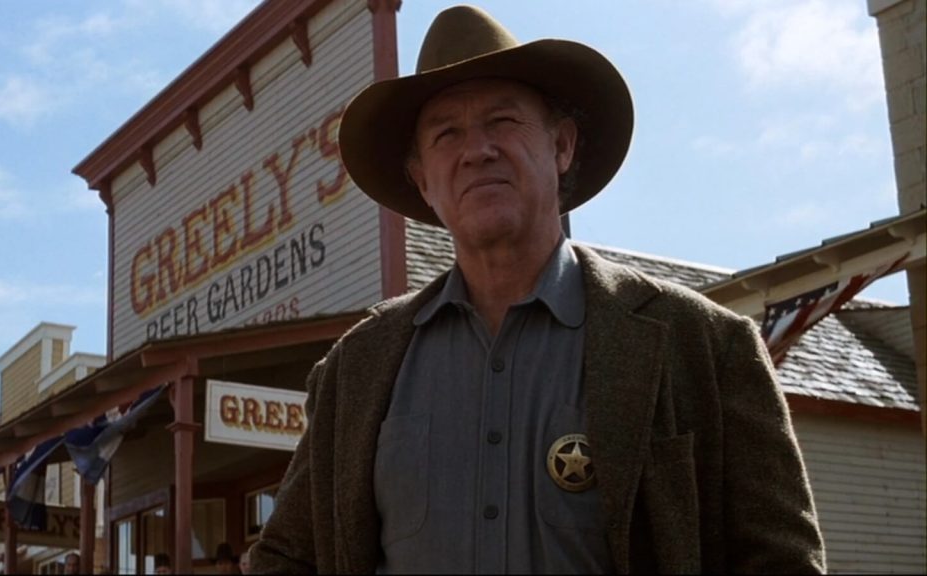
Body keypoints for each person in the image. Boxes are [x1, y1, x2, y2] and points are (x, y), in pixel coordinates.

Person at [251, 4, 825, 574]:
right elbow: (285, 557)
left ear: (562, 146)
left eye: (502, 121)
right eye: (446, 133)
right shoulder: (355, 369)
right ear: (423, 181)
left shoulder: (704, 347)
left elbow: (782, 562)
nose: (477, 149)